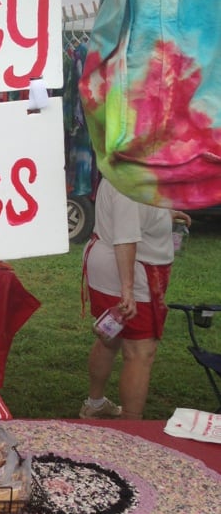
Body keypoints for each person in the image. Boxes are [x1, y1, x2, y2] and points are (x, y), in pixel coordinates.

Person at [80, 177, 191, 420]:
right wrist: (128, 290)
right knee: (140, 352)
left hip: (112, 265)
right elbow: (125, 239)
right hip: (131, 271)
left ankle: (95, 404)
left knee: (110, 337)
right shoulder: (130, 184)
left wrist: (164, 216)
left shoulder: (127, 170)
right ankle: (131, 424)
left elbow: (134, 218)